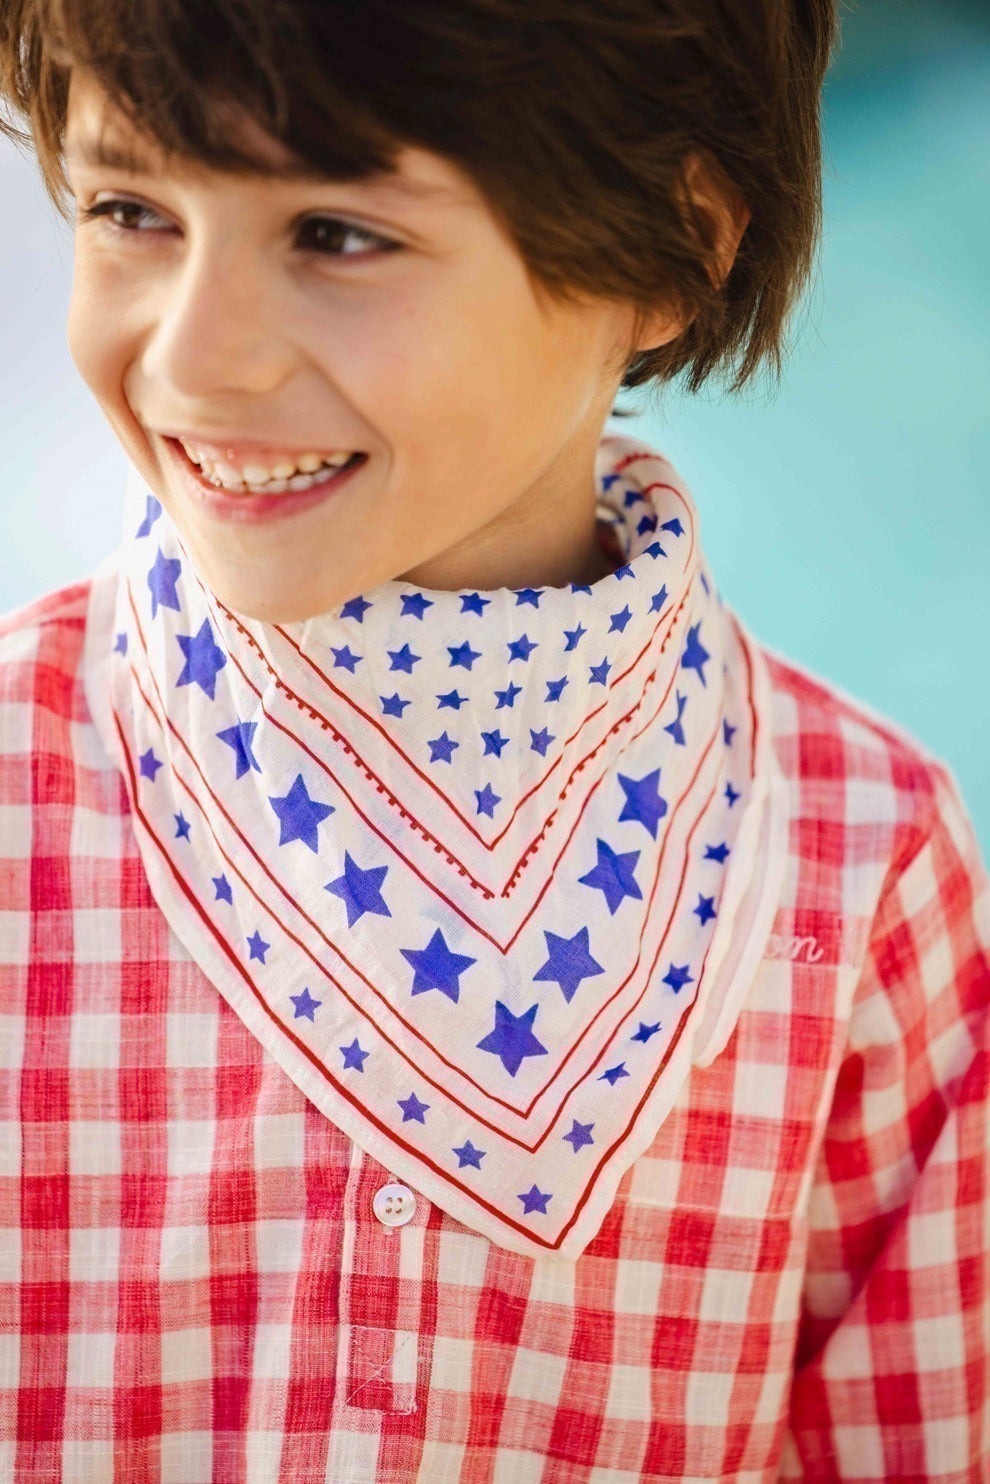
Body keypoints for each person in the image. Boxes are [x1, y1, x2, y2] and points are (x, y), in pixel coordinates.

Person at [0, 2, 986, 1479]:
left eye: (337, 234)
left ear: (673, 246)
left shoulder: (865, 868)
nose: (196, 361)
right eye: (131, 211)